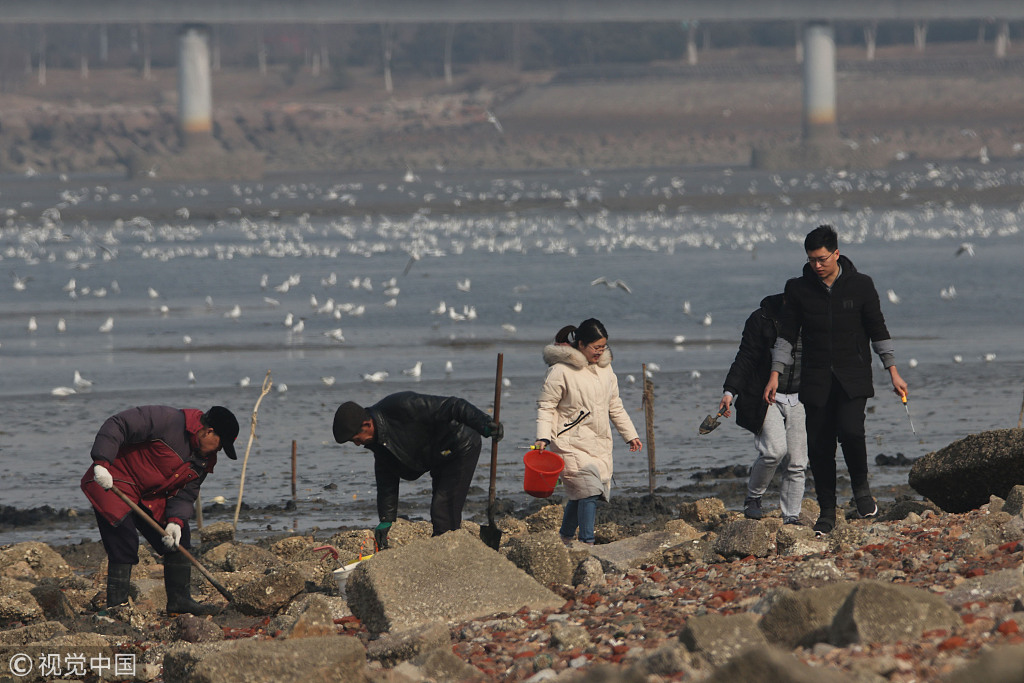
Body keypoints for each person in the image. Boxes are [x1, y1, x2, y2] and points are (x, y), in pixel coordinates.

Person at [763, 225, 908, 537]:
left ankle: (861, 491)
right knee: (819, 445)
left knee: (852, 431)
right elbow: (786, 336)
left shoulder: (861, 286)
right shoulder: (798, 289)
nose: (817, 265)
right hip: (814, 379)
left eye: (822, 259)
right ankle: (827, 511)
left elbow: (878, 329)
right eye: (812, 259)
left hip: (853, 375)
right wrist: (775, 374)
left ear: (836, 254)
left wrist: (892, 370)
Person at [80, 405, 239, 615]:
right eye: (219, 446)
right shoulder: (167, 420)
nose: (218, 452)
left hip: (150, 496)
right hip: (113, 480)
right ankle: (116, 608)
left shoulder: (203, 460)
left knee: (179, 539)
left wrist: (175, 520)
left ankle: (179, 603)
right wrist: (102, 462)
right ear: (209, 432)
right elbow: (118, 424)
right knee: (124, 539)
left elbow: (185, 493)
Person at [332, 391, 503, 549]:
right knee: (441, 511)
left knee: (442, 508)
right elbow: (386, 479)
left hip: (459, 445)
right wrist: (386, 519)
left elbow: (453, 405)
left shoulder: (402, 406)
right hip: (437, 455)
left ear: (367, 424)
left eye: (356, 439)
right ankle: (444, 550)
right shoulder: (377, 442)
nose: (357, 444)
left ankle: (448, 558)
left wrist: (483, 423)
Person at [534, 318, 642, 546]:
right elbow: (546, 406)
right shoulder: (560, 370)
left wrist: (630, 434)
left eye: (603, 347)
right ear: (580, 344)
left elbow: (615, 404)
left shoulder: (605, 369)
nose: (600, 352)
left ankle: (564, 538)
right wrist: (542, 438)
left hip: (599, 442)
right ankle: (587, 543)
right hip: (568, 442)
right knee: (589, 492)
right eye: (596, 347)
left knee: (580, 493)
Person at [719, 293, 807, 524]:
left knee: (797, 462)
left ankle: (791, 516)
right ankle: (753, 498)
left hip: (802, 397)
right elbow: (746, 357)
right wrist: (730, 391)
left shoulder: (817, 318)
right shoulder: (761, 318)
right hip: (765, 396)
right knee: (774, 451)